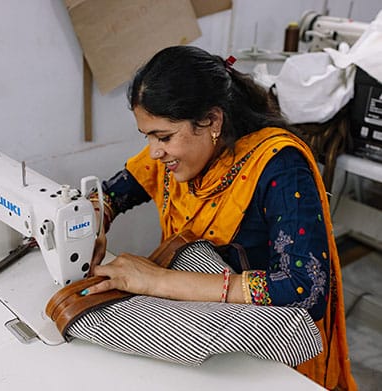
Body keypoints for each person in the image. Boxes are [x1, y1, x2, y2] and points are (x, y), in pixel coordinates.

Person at [85, 46, 356, 390]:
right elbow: (110, 195)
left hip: (271, 350)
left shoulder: (280, 168)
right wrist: (90, 223)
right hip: (206, 331)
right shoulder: (173, 155)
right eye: (148, 137)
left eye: (164, 137)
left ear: (212, 121)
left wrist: (157, 282)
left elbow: (305, 289)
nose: (154, 152)